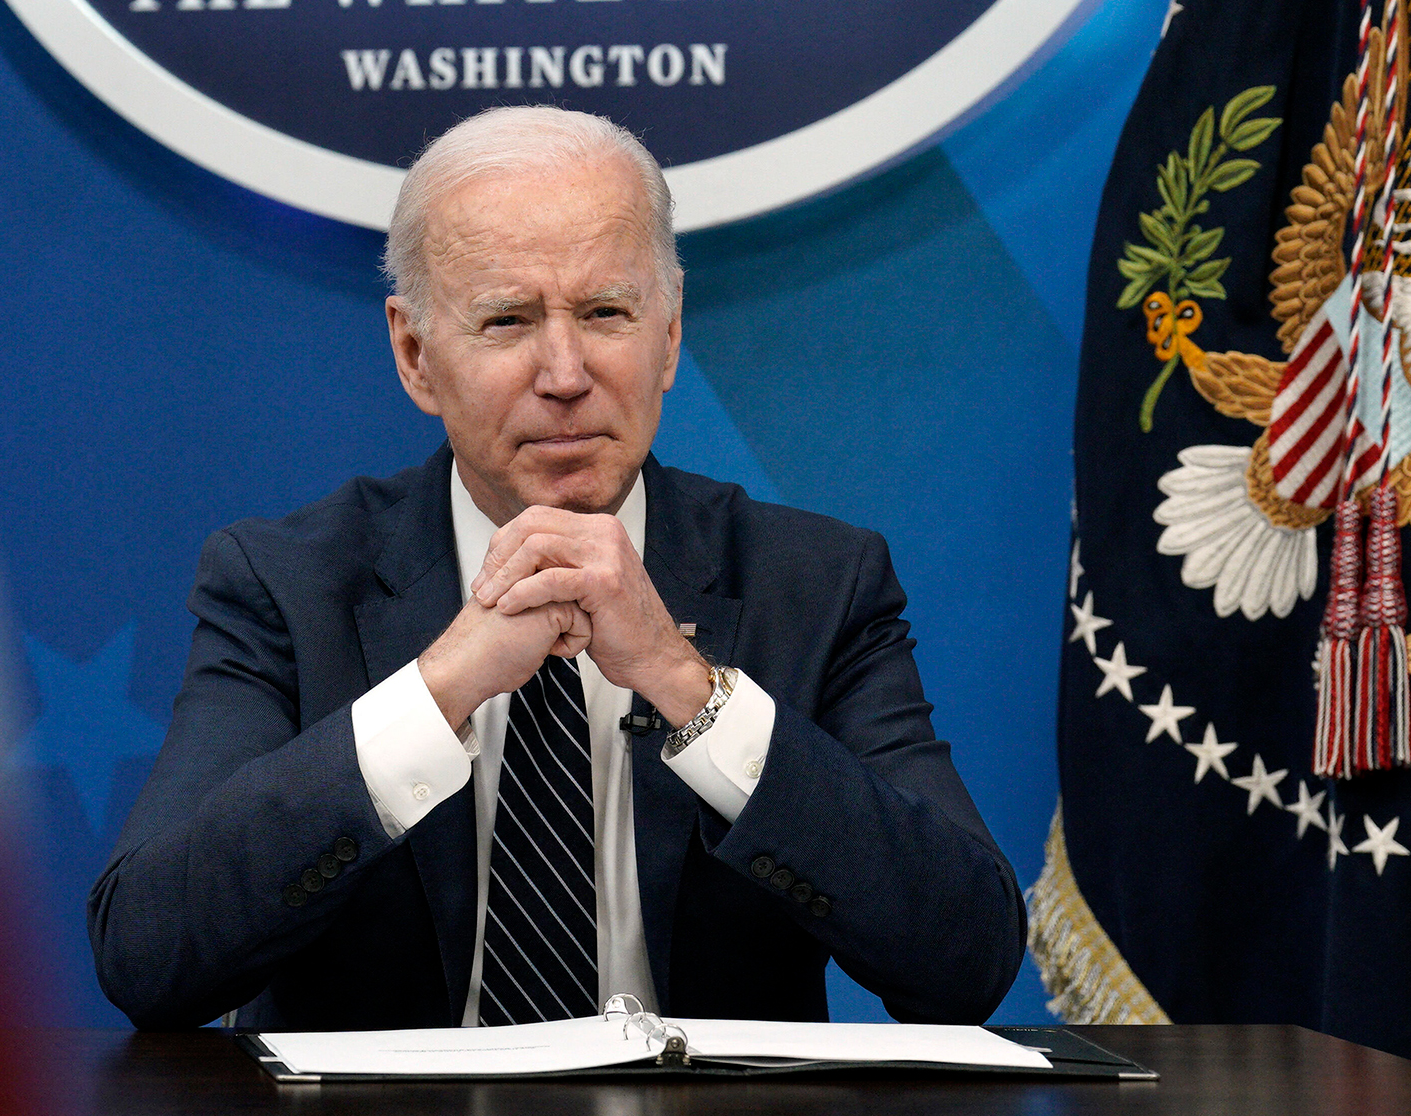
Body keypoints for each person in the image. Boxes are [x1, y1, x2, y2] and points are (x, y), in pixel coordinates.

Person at [90, 106, 1023, 1030]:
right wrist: (438, 690)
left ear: (667, 337)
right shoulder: (285, 586)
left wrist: (687, 686)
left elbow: (966, 960)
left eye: (607, 313)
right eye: (507, 320)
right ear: (416, 355)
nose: (566, 372)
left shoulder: (816, 585)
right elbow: (150, 954)